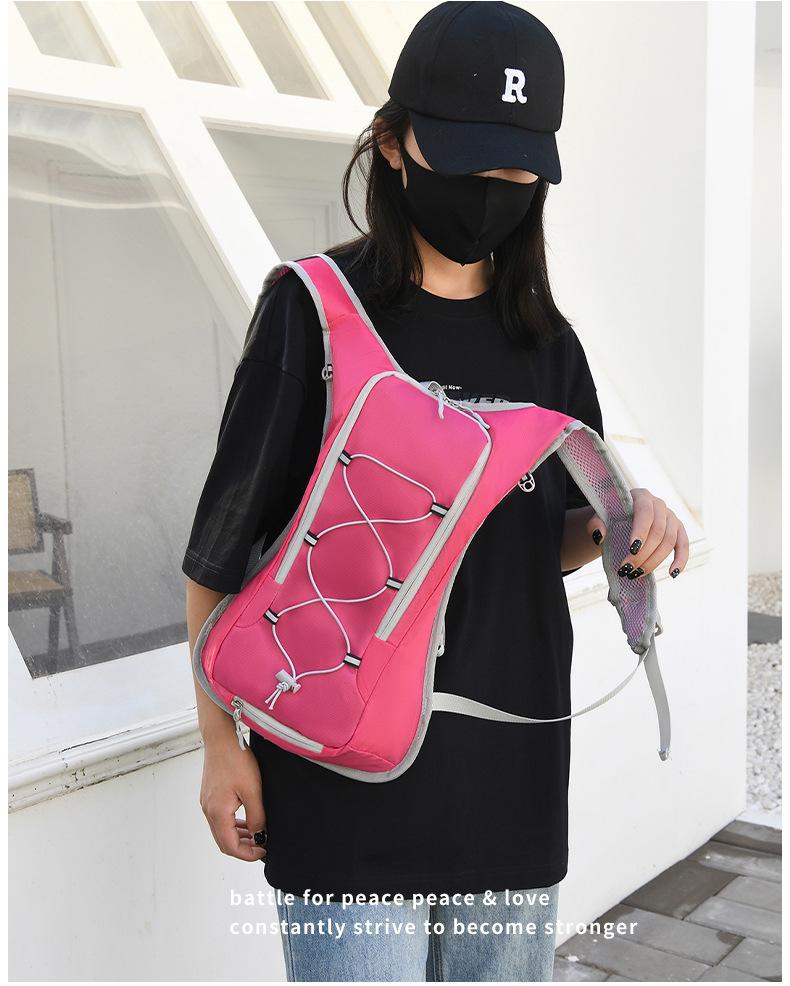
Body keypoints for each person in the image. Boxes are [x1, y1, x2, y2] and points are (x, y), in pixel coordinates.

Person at [183, 3, 689, 981]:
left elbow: (537, 538)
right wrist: (219, 742)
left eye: (516, 175)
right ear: (391, 142)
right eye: (467, 163)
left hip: (511, 779)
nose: (491, 194)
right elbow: (218, 551)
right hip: (338, 776)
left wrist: (621, 527)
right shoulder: (313, 312)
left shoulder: (549, 343)